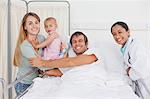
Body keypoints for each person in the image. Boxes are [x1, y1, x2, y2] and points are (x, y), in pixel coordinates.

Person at [13, 12, 59, 95]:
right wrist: (61, 68)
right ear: (25, 27)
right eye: (30, 23)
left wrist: (61, 46)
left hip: (37, 81)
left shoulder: (41, 38)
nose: (34, 26)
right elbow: (41, 66)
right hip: (24, 84)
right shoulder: (25, 46)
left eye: (36, 22)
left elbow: (48, 52)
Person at [111, 21, 150, 99]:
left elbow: (142, 67)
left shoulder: (136, 45)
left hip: (146, 82)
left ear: (128, 32)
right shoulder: (124, 48)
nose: (117, 36)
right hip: (140, 84)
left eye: (120, 32)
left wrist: (129, 72)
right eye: (114, 34)